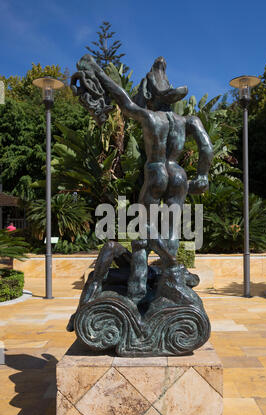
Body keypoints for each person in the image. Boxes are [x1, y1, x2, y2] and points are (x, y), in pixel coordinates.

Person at [71, 54, 213, 302]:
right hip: (178, 174)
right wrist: (202, 175)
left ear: (152, 95)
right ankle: (170, 285)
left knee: (142, 232)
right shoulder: (188, 120)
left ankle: (137, 290)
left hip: (157, 171)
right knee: (171, 231)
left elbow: (123, 100)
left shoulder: (150, 118)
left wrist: (98, 72)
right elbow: (207, 147)